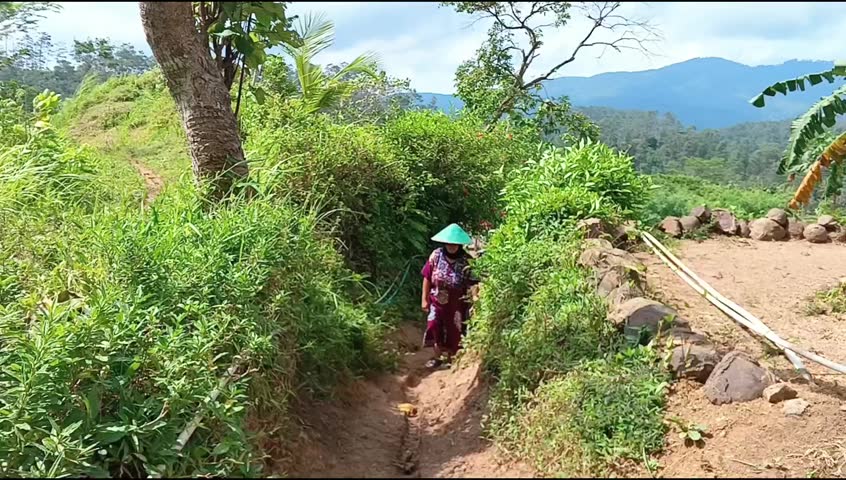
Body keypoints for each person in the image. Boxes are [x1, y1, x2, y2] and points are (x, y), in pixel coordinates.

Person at [420, 223, 478, 369]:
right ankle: (437, 357)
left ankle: (452, 358)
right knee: (434, 325)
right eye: (449, 243)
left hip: (457, 304)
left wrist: (475, 301)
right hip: (436, 301)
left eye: (455, 244)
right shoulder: (436, 255)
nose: (451, 246)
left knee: (455, 330)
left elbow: (474, 283)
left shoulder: (467, 261)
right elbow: (427, 276)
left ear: (460, 244)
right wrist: (424, 299)